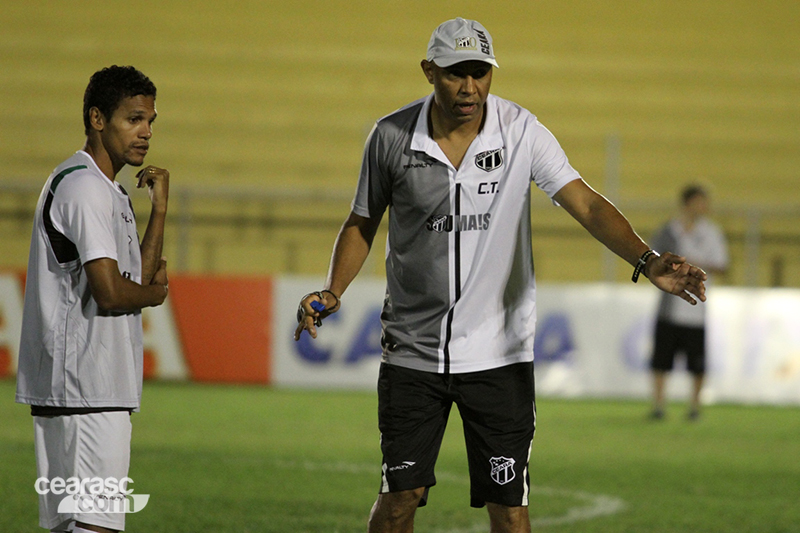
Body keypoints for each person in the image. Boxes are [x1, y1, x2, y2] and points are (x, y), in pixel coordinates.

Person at [294, 18, 707, 533]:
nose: (470, 87)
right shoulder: (391, 137)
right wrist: (334, 290)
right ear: (428, 71)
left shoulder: (521, 131)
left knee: (509, 508)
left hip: (500, 356)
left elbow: (585, 203)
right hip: (412, 353)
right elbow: (362, 221)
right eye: (455, 73)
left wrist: (646, 260)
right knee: (401, 494)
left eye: (480, 72)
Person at [15, 65, 169, 533]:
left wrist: (159, 212)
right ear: (97, 119)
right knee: (95, 526)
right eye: (133, 119)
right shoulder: (83, 187)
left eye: (150, 121)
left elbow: (132, 276)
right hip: (85, 387)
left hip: (85, 388)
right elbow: (109, 291)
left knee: (75, 526)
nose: (145, 133)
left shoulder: (110, 190)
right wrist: (155, 296)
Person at [649, 184, 729, 421]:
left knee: (697, 363)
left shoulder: (712, 232)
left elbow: (722, 264)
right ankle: (659, 405)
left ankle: (694, 407)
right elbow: (653, 260)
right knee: (661, 361)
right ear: (687, 203)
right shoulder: (669, 231)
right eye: (699, 201)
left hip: (696, 308)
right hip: (669, 306)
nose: (704, 207)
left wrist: (694, 264)